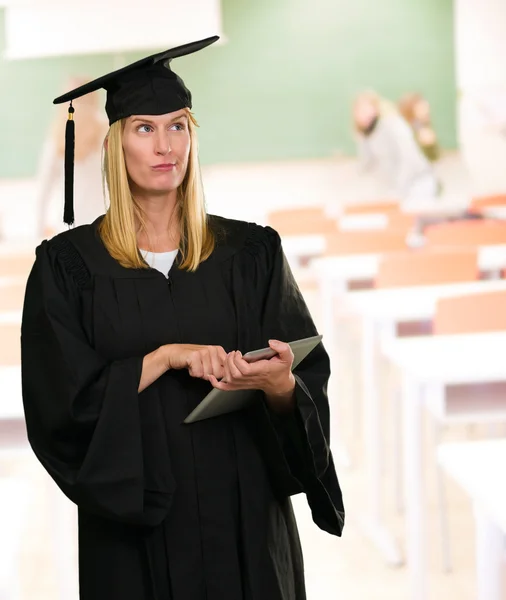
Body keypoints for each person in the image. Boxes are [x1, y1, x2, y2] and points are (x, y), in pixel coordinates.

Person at [21, 36, 345, 600]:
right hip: (135, 528)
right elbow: (59, 409)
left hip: (243, 515)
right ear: (117, 142)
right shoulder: (67, 268)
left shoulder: (252, 254)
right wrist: (160, 358)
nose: (165, 144)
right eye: (145, 128)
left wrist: (280, 385)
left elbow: (305, 384)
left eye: (178, 126)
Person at [35, 76, 108, 238]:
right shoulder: (107, 132)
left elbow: (43, 193)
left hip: (68, 230)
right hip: (104, 229)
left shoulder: (57, 138)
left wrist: (38, 233)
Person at [352, 90, 440, 208]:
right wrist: (362, 138)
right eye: (359, 111)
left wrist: (399, 190)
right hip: (398, 188)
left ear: (376, 108)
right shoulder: (367, 135)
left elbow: (408, 158)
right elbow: (366, 164)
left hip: (418, 183)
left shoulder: (392, 124)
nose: (363, 115)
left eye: (366, 109)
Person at [398, 92, 440, 162]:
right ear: (411, 110)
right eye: (422, 108)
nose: (427, 111)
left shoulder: (418, 127)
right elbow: (433, 157)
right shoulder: (418, 130)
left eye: (427, 108)